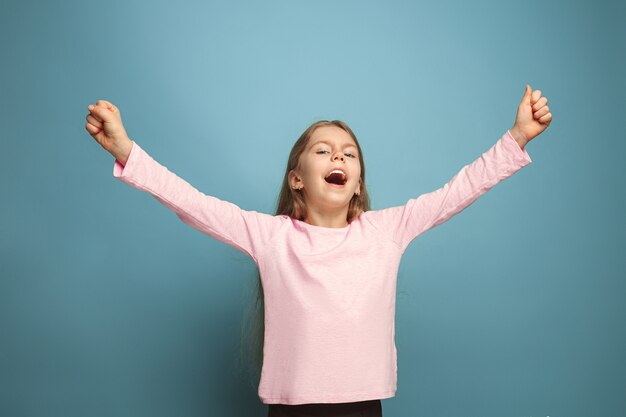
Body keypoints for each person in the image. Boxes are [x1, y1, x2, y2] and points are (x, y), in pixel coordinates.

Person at [85, 85, 552, 417]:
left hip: (363, 408)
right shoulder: (270, 236)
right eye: (324, 151)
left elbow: (459, 190)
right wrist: (126, 150)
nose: (338, 159)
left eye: (349, 154)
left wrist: (516, 138)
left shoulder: (387, 231)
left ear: (358, 183)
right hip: (292, 412)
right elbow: (192, 203)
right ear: (296, 178)